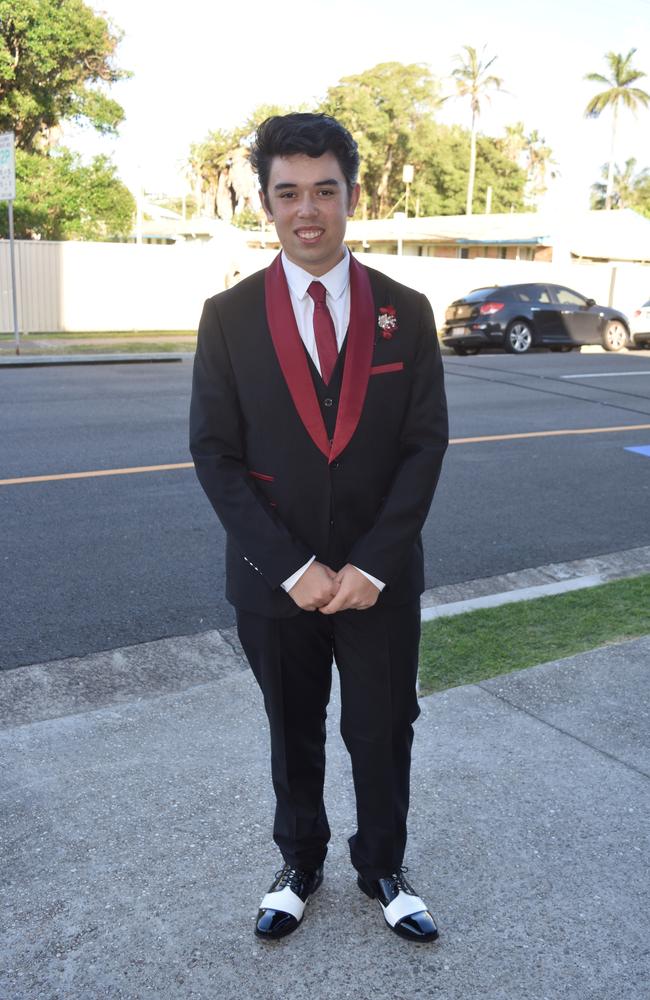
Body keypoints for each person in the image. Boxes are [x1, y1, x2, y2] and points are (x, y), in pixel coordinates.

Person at [189, 113, 448, 943]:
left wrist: (370, 565)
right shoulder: (227, 316)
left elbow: (423, 446)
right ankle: (300, 862)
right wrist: (290, 566)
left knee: (382, 728)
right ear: (265, 201)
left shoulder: (405, 313)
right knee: (290, 729)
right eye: (289, 192)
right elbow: (215, 455)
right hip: (277, 582)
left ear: (353, 195)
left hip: (379, 578)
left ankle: (383, 866)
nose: (309, 210)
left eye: (325, 191)